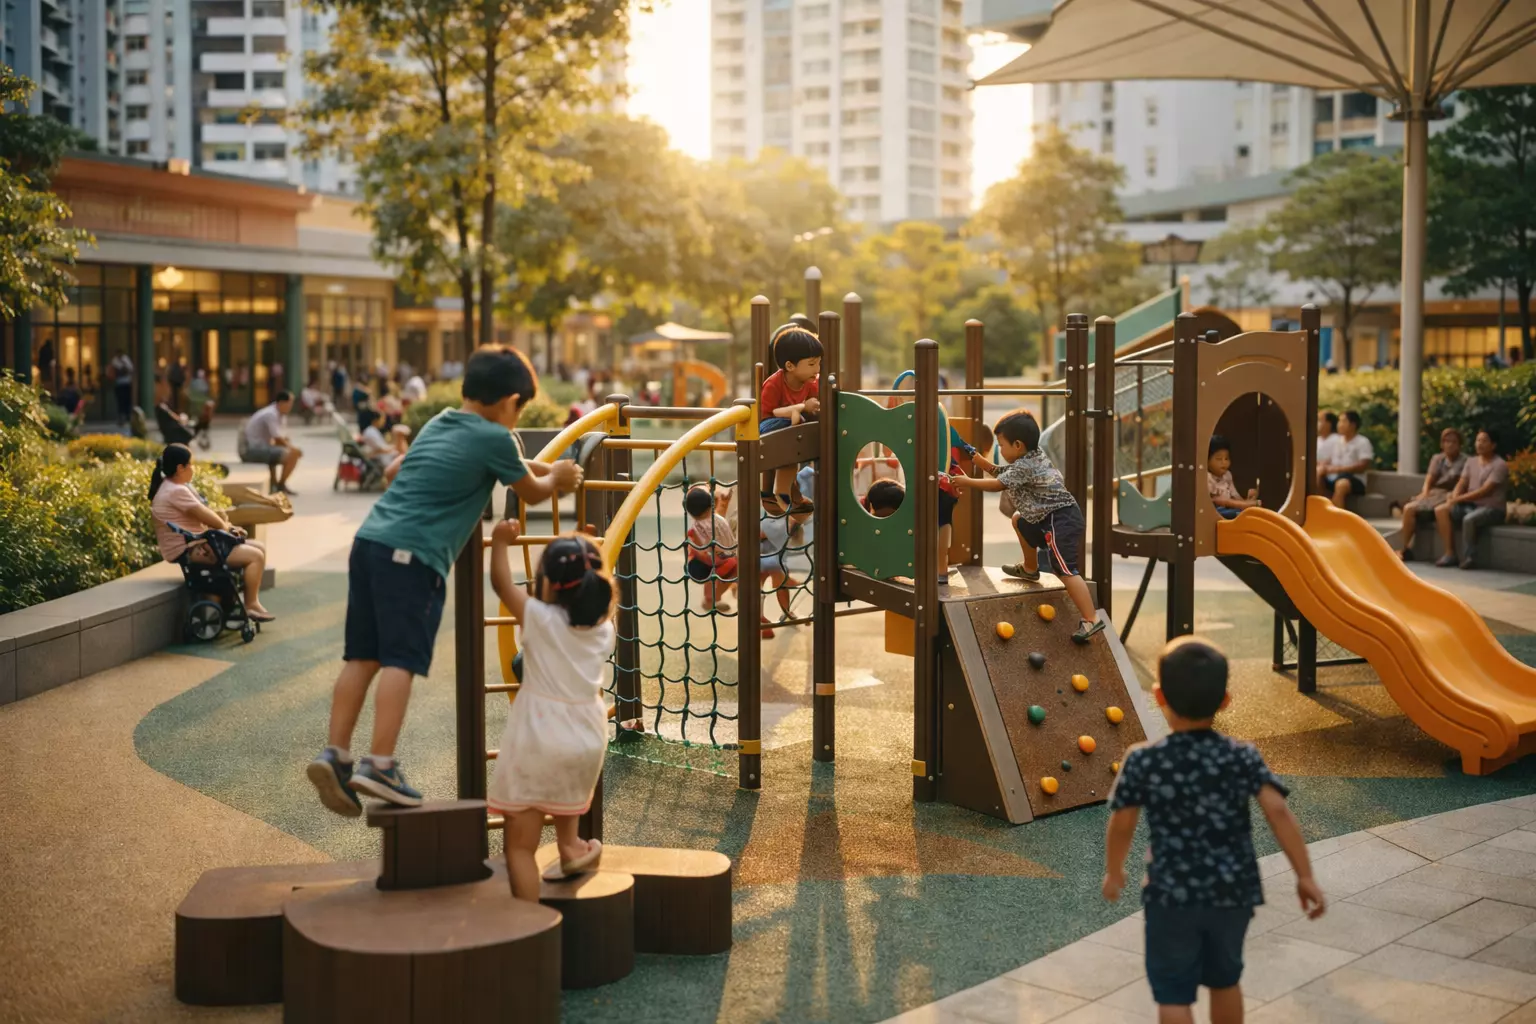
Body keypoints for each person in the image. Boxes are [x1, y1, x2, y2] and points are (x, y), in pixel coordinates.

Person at [306, 346, 582, 815]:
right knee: (400, 658)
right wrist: (555, 476)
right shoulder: (496, 438)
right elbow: (532, 492)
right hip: (413, 557)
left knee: (363, 655)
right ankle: (380, 765)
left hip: (370, 542)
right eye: (520, 411)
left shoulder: (440, 424)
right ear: (510, 401)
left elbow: (396, 470)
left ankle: (336, 754)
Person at [1103, 637, 1325, 1024]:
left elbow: (1123, 822)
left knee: (1173, 993)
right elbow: (1278, 812)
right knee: (1225, 981)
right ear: (1225, 700)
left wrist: (1115, 870)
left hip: (1171, 893)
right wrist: (1304, 875)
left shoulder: (1144, 760)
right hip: (1232, 891)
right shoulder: (1241, 756)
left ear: (1159, 696)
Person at [486, 524, 612, 898]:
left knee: (520, 849)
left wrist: (501, 543)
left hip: (540, 737)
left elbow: (500, 583)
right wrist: (590, 550)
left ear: (547, 585)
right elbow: (595, 588)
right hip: (588, 737)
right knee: (565, 798)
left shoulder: (540, 618)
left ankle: (531, 926)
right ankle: (571, 847)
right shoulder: (606, 630)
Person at [951, 410, 1104, 644]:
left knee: (1064, 569)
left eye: (1001, 446)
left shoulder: (1024, 467)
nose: (1000, 450)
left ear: (1018, 445)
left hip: (1060, 519)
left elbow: (998, 484)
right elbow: (1005, 474)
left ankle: (1091, 618)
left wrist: (966, 481)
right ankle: (1030, 568)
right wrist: (982, 463)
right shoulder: (1032, 457)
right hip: (1045, 518)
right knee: (1018, 519)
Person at [148, 443, 274, 623]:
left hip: (195, 543)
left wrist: (227, 526)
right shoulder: (176, 491)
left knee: (259, 548)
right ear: (180, 468)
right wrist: (227, 527)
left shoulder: (171, 486)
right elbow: (210, 519)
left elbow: (210, 517)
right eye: (191, 464)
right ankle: (251, 604)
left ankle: (247, 603)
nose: (194, 468)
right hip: (192, 549)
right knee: (255, 556)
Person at [759, 326, 822, 515]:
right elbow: (769, 414)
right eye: (812, 364)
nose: (817, 370)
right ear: (789, 366)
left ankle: (783, 492)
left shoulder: (811, 384)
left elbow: (816, 409)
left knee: (796, 442)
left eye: (819, 363)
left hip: (793, 429)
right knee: (793, 436)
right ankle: (779, 491)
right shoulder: (773, 384)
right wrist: (800, 408)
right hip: (769, 426)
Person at [1434, 429, 1509, 570]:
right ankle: (1450, 553)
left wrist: (1457, 499)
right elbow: (1462, 482)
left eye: (1484, 441)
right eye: (1478, 440)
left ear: (1493, 445)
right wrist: (1454, 495)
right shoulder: (1471, 461)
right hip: (1471, 505)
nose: (1479, 444)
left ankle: (1470, 557)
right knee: (1441, 509)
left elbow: (1484, 491)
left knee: (1469, 519)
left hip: (1492, 509)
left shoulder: (1500, 465)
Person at [1398, 427, 1467, 561]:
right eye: (1446, 441)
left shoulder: (1465, 461)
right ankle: (1405, 549)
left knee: (1439, 510)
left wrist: (1453, 496)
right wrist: (1424, 493)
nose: (1450, 445)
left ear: (1459, 444)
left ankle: (1449, 552)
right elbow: (1430, 478)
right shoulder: (1437, 459)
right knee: (1409, 508)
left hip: (1451, 494)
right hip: (1435, 493)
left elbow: (1463, 483)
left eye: (1454, 442)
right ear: (1442, 444)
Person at [684, 485, 739, 612]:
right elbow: (702, 552)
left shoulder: (710, 520)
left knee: (733, 567)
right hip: (703, 564)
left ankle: (716, 596)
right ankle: (711, 598)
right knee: (734, 566)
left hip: (713, 560)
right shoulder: (700, 527)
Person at [243, 390, 304, 495]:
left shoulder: (280, 414)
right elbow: (278, 439)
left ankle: (276, 484)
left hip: (263, 446)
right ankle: (281, 485)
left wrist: (288, 446)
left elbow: (282, 437)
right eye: (289, 405)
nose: (290, 407)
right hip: (253, 449)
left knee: (286, 452)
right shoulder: (271, 414)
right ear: (281, 403)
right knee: (293, 455)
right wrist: (293, 449)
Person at [1318, 409, 1373, 509]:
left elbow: (1363, 466)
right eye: (1339, 421)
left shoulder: (1362, 442)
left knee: (1341, 484)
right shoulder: (1337, 441)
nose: (1339, 424)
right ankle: (1322, 510)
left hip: (1355, 480)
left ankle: (1337, 519)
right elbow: (1329, 460)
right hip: (1335, 477)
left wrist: (1338, 469)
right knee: (1317, 475)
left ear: (1352, 424)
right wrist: (1322, 467)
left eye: (1343, 421)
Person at [1206, 435, 1261, 521]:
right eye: (1219, 459)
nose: (1224, 462)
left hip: (1230, 508)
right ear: (1207, 461)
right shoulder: (1208, 477)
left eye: (1226, 458)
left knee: (1241, 512)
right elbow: (1215, 500)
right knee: (1231, 513)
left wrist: (1247, 500)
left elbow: (1234, 494)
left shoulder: (1227, 475)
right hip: (1216, 511)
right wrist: (1243, 505)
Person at [359, 407, 406, 472]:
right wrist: (395, 446)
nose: (384, 421)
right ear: (376, 420)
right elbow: (381, 449)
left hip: (383, 456)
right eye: (382, 419)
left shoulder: (372, 431)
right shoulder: (370, 432)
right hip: (383, 459)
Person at [1314, 410, 1341, 488]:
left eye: (1319, 420)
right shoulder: (1317, 440)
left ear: (1328, 424)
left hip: (1332, 473)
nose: (1317, 423)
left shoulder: (1337, 439)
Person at [110, 349, 134, 425]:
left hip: (126, 383)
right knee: (120, 401)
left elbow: (130, 369)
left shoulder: (126, 359)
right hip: (119, 384)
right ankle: (121, 417)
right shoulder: (114, 360)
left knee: (127, 400)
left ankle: (127, 416)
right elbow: (114, 370)